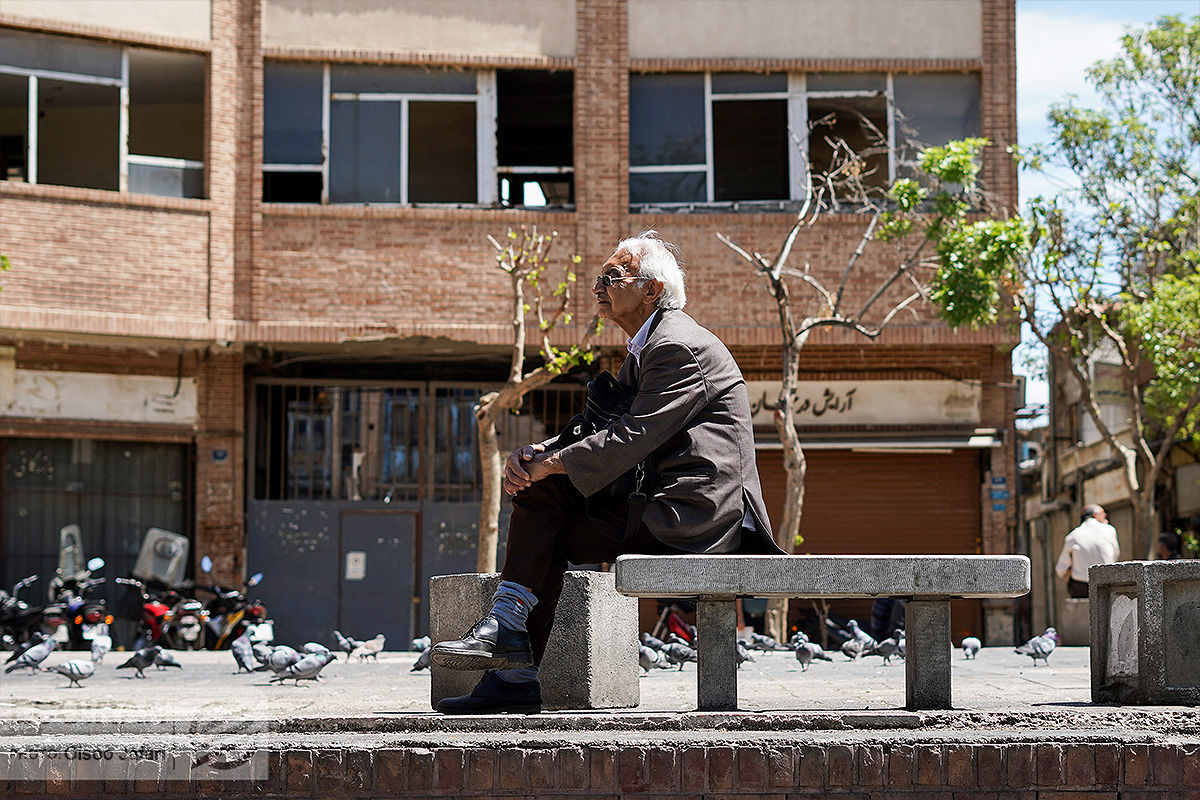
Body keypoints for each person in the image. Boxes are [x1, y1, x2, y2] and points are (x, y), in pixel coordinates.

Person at [431, 230, 783, 713]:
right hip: (662, 505)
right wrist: (540, 452)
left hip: (696, 517)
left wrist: (551, 465)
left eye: (611, 277)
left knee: (546, 501)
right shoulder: (647, 347)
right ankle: (512, 660)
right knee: (544, 513)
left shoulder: (678, 347)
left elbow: (633, 437)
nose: (597, 287)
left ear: (651, 289)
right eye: (598, 278)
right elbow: (601, 424)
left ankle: (510, 650)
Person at [1054, 504, 1120, 599]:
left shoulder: (1073, 536)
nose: (1106, 518)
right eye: (1103, 514)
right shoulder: (1109, 529)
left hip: (1081, 588)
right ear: (1095, 515)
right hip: (1106, 584)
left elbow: (1060, 569)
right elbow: (1115, 555)